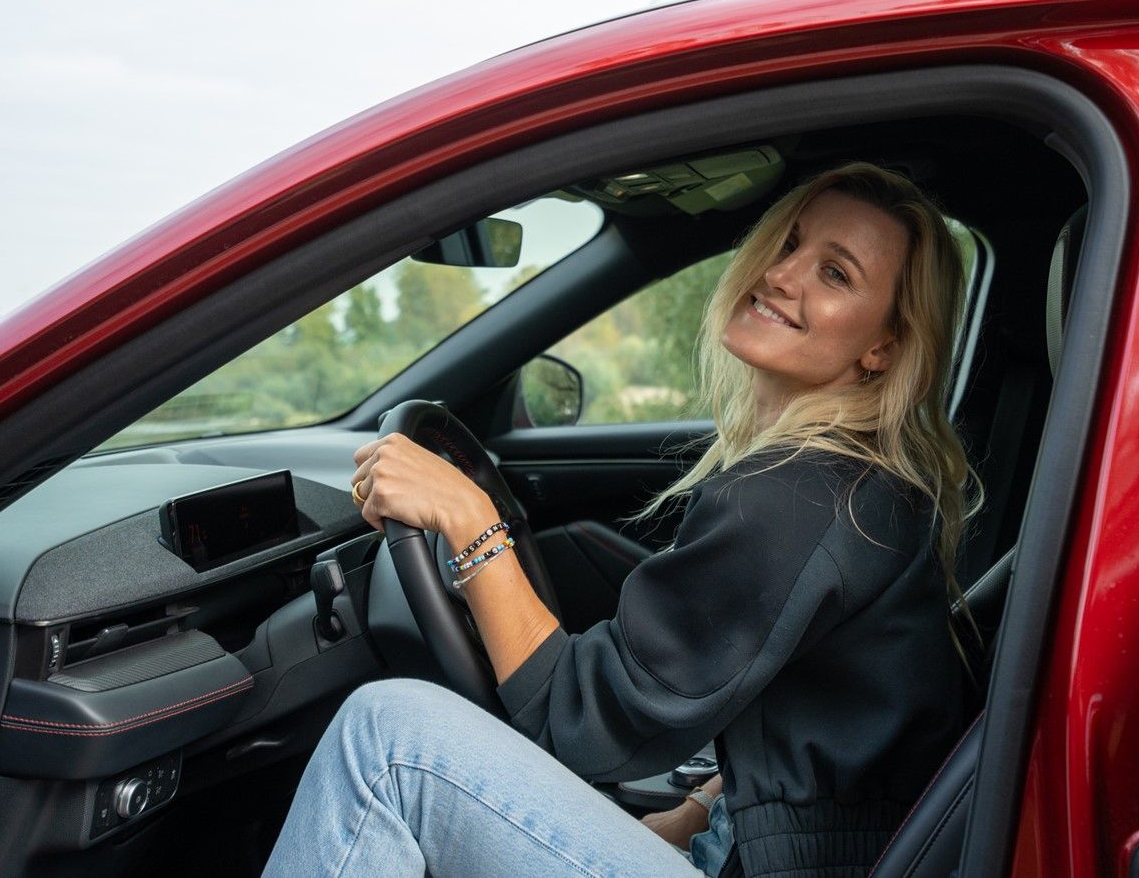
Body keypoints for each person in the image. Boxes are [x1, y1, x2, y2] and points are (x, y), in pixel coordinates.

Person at [262, 162, 976, 877]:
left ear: (883, 347)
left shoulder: (800, 497)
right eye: (788, 243)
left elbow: (576, 719)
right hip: (782, 847)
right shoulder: (865, 487)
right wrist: (698, 809)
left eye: (835, 274)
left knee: (384, 741)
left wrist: (466, 514)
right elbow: (834, 730)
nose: (781, 275)